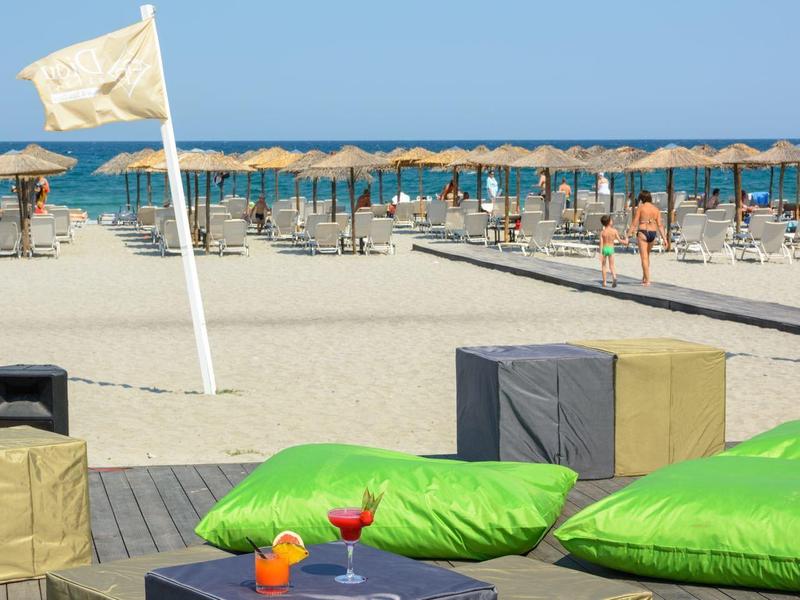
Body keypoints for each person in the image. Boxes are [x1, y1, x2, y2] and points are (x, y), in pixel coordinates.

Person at [628, 190, 667, 286]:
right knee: (647, 256)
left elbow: (634, 223)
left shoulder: (641, 208)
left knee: (644, 258)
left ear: (641, 198)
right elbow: (660, 225)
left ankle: (648, 280)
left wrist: (628, 235)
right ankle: (645, 278)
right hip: (653, 233)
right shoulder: (656, 209)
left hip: (643, 232)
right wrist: (665, 238)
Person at [599, 215, 628, 288]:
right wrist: (626, 241)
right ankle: (614, 277)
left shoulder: (602, 232)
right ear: (609, 222)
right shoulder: (614, 231)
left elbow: (601, 244)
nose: (612, 221)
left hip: (605, 249)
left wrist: (600, 254)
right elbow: (620, 241)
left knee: (604, 266)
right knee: (612, 266)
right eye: (611, 220)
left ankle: (604, 282)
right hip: (611, 249)